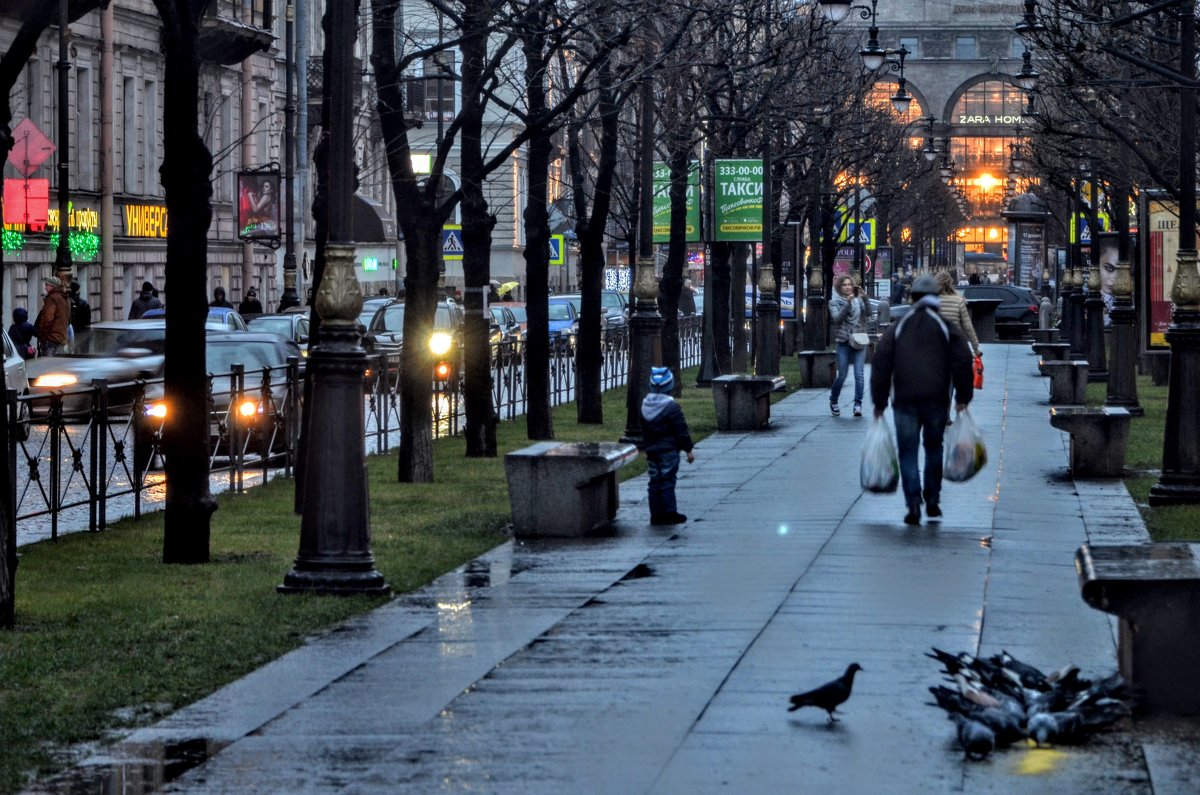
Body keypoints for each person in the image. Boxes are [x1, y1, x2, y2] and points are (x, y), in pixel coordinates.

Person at [870, 275, 975, 526]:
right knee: (933, 448)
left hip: (904, 400)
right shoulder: (945, 327)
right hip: (936, 400)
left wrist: (880, 401)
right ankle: (933, 500)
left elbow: (881, 364)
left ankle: (913, 504)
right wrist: (962, 396)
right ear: (936, 299)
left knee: (907, 451)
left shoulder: (898, 327)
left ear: (911, 298)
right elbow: (963, 361)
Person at [640, 366, 695, 525]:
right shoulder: (672, 407)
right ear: (670, 387)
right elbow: (681, 431)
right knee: (667, 482)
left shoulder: (644, 406)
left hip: (652, 452)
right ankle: (670, 512)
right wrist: (688, 450)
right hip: (669, 452)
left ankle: (655, 515)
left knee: (654, 482)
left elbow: (644, 429)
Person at [829, 274, 871, 418]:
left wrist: (864, 298)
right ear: (839, 287)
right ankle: (834, 400)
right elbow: (837, 319)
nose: (847, 287)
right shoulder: (834, 302)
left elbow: (869, 314)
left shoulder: (858, 300)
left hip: (859, 341)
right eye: (844, 285)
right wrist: (848, 304)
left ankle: (857, 404)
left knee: (859, 375)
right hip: (844, 342)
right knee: (842, 375)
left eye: (849, 284)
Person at [935, 271, 982, 360]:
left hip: (936, 344)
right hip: (955, 343)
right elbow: (968, 326)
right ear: (949, 283)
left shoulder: (931, 300)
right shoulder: (959, 301)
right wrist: (975, 347)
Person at [34, 276, 71, 357]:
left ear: (52, 286)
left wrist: (42, 337)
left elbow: (47, 319)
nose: (45, 287)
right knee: (59, 365)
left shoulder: (52, 298)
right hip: (62, 338)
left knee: (48, 365)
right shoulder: (65, 298)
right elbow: (68, 319)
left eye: (47, 285)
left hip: (51, 339)